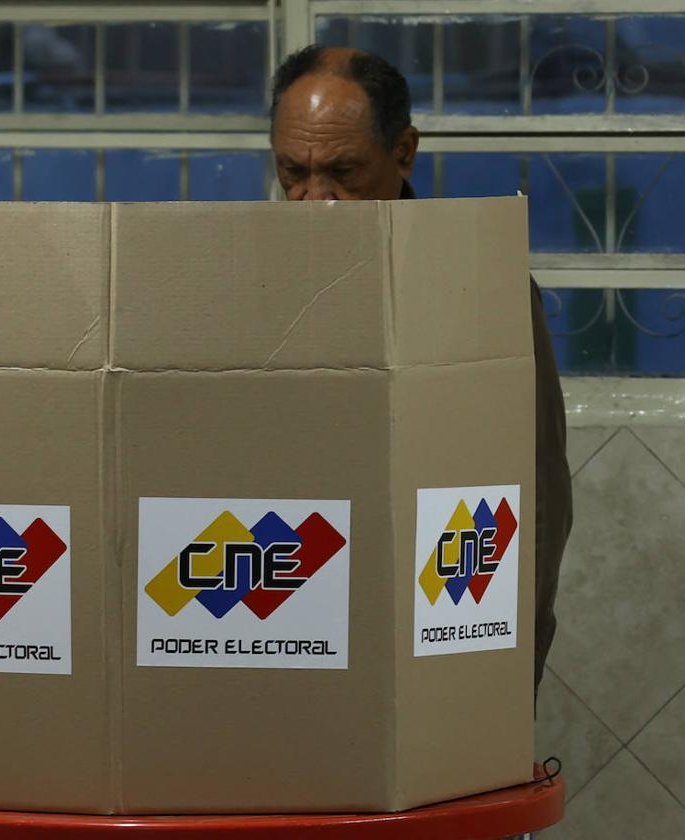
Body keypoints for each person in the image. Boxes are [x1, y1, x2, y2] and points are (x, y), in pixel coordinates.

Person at [270, 45, 572, 701]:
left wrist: (503, 681)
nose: (314, 199)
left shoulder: (475, 285)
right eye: (292, 172)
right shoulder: (248, 279)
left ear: (403, 152)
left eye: (344, 173)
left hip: (416, 638)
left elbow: (536, 497)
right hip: (274, 624)